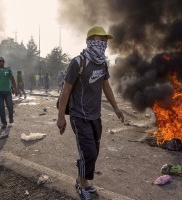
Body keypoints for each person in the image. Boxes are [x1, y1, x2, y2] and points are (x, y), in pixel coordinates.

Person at [56, 26, 124, 200]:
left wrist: (116, 108)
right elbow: (66, 89)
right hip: (79, 117)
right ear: (90, 41)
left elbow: (106, 86)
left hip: (96, 116)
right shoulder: (78, 62)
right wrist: (61, 116)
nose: (104, 43)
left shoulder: (102, 63)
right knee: (89, 153)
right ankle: (82, 184)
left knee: (93, 152)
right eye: (101, 40)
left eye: (105, 41)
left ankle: (82, 179)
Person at [0, 57, 17, 129]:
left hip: (7, 91)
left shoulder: (8, 70)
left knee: (10, 106)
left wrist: (15, 88)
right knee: (1, 108)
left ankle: (11, 118)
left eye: (1, 61)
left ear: (3, 62)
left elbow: (13, 79)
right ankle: (4, 123)